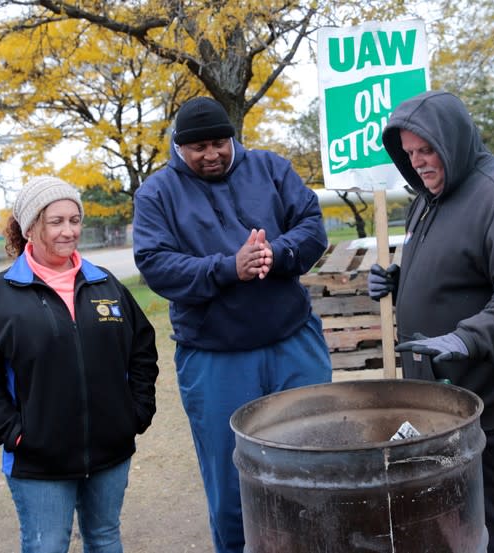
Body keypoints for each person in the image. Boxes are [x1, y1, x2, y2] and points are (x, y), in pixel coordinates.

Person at [132, 96, 332, 553]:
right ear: (179, 148)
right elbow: (155, 264)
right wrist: (228, 268)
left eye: (219, 143)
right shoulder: (157, 194)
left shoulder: (270, 168)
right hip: (216, 357)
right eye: (198, 147)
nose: (212, 155)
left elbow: (311, 225)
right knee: (233, 480)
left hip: (293, 342)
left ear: (232, 138)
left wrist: (275, 254)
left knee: (316, 461)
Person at [368, 91, 494, 552]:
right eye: (409, 154)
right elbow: (459, 267)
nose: (419, 163)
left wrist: (465, 338)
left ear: (452, 139)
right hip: (448, 403)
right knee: (462, 524)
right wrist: (401, 281)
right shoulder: (429, 197)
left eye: (427, 150)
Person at [0, 176, 159, 553]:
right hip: (39, 460)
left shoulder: (105, 285)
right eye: (57, 221)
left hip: (110, 452)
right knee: (47, 545)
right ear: (31, 228)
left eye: (75, 220)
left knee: (105, 538)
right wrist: (17, 433)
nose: (70, 231)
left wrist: (136, 412)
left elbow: (142, 349)